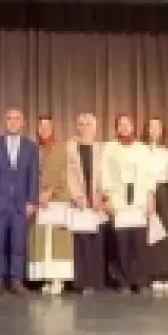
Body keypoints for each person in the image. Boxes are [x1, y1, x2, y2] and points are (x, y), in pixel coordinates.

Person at [0, 108, 39, 297]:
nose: (13, 122)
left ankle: (16, 281)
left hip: (21, 204)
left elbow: (33, 175)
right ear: (5, 122)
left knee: (18, 245)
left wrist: (31, 200)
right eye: (9, 118)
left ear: (23, 122)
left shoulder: (30, 146)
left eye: (17, 118)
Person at [101, 114, 154, 293]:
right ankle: (123, 280)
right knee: (121, 243)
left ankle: (139, 280)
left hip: (139, 200)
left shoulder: (142, 149)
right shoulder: (110, 148)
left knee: (138, 242)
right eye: (120, 124)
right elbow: (105, 174)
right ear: (116, 128)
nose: (124, 127)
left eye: (127, 124)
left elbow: (149, 175)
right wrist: (107, 198)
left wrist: (150, 197)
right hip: (119, 199)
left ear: (133, 127)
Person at [29, 115, 74, 295]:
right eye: (41, 127)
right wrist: (37, 195)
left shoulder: (61, 147)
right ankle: (47, 278)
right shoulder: (34, 148)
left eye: (47, 127)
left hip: (58, 199)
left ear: (53, 128)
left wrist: (50, 192)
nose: (44, 130)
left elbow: (64, 172)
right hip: (39, 201)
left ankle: (59, 280)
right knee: (43, 241)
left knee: (58, 241)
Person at [65, 113, 107, 294]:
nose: (84, 127)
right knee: (81, 242)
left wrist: (100, 196)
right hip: (79, 201)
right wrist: (77, 195)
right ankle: (81, 282)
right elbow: (67, 174)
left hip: (96, 201)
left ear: (95, 127)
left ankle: (95, 280)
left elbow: (106, 174)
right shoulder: (70, 147)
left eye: (88, 124)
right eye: (81, 124)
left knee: (96, 241)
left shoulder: (101, 148)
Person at [143, 118, 168, 293]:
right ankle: (150, 273)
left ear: (162, 131)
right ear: (146, 130)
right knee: (148, 232)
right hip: (144, 191)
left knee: (164, 231)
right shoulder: (140, 150)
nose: (154, 130)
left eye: (158, 127)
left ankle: (164, 273)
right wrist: (148, 194)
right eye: (151, 127)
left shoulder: (167, 152)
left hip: (163, 190)